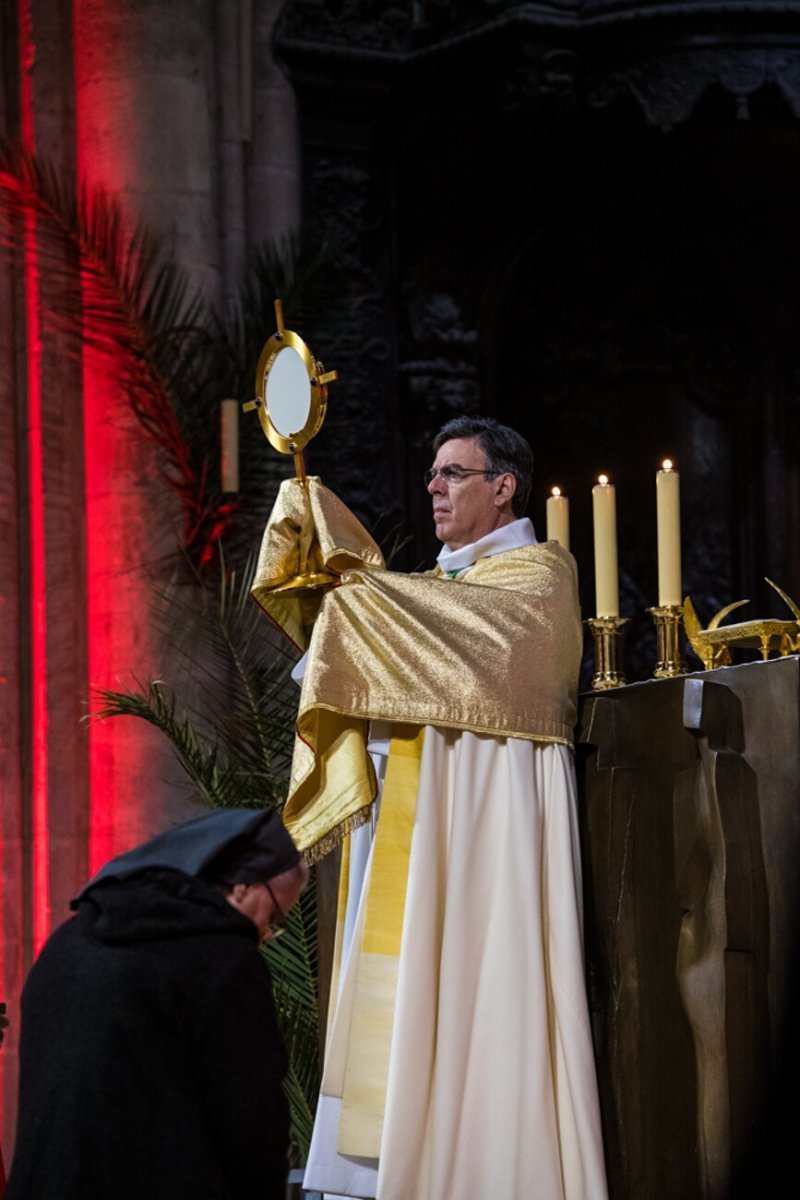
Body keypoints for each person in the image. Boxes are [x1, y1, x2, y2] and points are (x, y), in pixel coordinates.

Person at [253, 416, 608, 1199]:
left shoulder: (538, 576)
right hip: (417, 818)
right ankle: (392, 1162)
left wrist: (356, 587)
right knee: (410, 977)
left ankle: (483, 1161)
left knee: (483, 974)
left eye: (453, 473)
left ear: (503, 485)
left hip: (488, 820)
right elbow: (385, 622)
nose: (434, 488)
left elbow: (457, 632)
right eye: (433, 474)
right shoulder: (439, 590)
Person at [5, 807, 307, 1200]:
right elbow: (250, 1125)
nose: (265, 934)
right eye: (274, 916)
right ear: (241, 888)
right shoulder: (222, 959)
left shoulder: (67, 941)